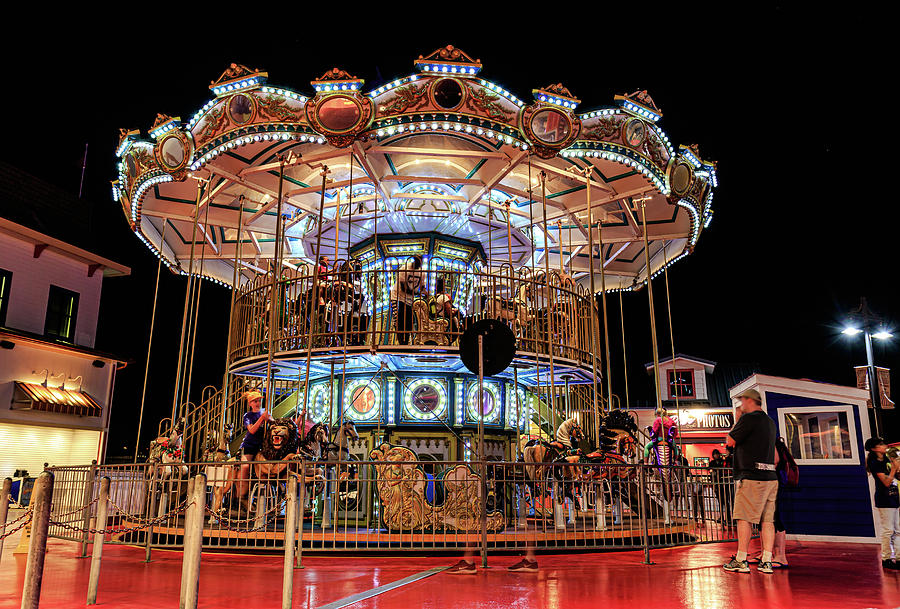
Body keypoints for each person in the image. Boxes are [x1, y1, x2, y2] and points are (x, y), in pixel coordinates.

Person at [722, 388, 778, 574]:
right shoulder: (769, 422)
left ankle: (741, 559)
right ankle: (767, 560)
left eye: (742, 401)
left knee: (743, 517)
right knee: (767, 520)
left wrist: (737, 419)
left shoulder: (748, 418)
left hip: (752, 476)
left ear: (749, 400)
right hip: (770, 477)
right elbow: (776, 457)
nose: (740, 405)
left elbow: (729, 441)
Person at [865, 437, 900, 570]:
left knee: (898, 530)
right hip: (884, 499)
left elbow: (896, 477)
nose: (885, 446)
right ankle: (886, 558)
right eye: (881, 444)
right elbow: (885, 482)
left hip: (894, 497)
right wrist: (893, 470)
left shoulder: (886, 459)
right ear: (874, 448)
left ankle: (898, 557)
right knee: (888, 530)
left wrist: (896, 467)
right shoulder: (875, 463)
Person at [235, 391, 272, 505]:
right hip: (250, 445)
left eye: (259, 400)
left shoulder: (265, 412)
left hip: (263, 445)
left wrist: (269, 419)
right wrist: (262, 418)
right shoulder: (248, 416)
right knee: (245, 467)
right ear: (250, 403)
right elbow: (251, 430)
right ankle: (242, 495)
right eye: (255, 401)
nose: (258, 403)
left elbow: (273, 423)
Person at [390, 255, 423, 345]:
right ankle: (401, 342)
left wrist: (424, 292)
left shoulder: (421, 272)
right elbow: (403, 287)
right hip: (397, 297)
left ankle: (406, 341)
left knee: (409, 321)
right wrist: (417, 293)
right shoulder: (404, 268)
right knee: (399, 320)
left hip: (409, 300)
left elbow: (422, 286)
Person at [709, 448, 734, 526]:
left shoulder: (723, 461)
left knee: (726, 501)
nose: (716, 455)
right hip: (719, 483)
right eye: (714, 454)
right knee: (721, 501)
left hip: (723, 482)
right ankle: (724, 517)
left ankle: (728, 517)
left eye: (716, 454)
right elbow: (711, 472)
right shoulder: (715, 462)